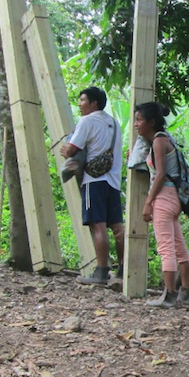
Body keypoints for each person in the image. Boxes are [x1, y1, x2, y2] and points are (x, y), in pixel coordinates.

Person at [58, 86, 124, 287]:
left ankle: (102, 271)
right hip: (113, 181)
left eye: (82, 100)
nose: (79, 104)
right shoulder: (114, 123)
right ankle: (123, 270)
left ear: (94, 103)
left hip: (94, 180)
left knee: (98, 224)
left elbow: (71, 150)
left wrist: (65, 150)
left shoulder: (87, 121)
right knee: (118, 227)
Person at [134, 102, 189, 308]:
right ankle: (186, 292)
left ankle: (169, 295)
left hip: (164, 197)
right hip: (175, 199)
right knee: (179, 247)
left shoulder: (159, 142)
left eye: (139, 120)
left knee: (166, 248)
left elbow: (159, 174)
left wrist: (148, 202)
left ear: (151, 122)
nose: (136, 124)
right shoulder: (167, 138)